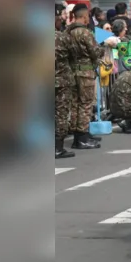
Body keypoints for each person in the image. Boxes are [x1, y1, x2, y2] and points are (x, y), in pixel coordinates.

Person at [66, 4, 104, 149]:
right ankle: (82, 136)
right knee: (85, 104)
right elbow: (95, 52)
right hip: (86, 72)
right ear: (83, 17)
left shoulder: (67, 32)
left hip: (72, 71)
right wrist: (100, 51)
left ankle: (78, 135)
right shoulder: (85, 33)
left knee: (75, 103)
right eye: (87, 16)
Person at [55, 14, 76, 158]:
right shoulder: (62, 37)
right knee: (61, 113)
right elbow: (74, 54)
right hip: (62, 80)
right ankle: (58, 147)